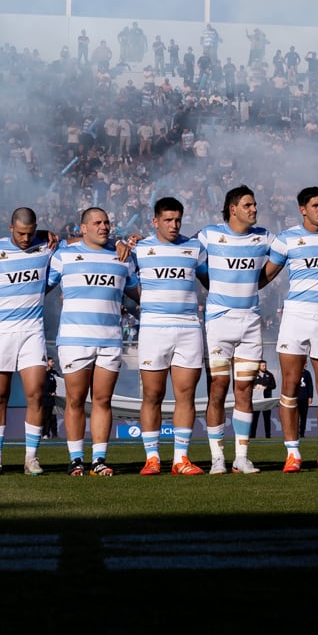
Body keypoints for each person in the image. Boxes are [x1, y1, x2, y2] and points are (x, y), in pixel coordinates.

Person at [265, 187, 318, 472]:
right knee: (289, 388)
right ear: (303, 209)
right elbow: (266, 275)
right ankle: (293, 453)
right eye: (315, 205)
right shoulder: (287, 239)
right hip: (295, 317)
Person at [194, 185, 278, 473]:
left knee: (245, 390)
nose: (254, 209)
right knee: (218, 389)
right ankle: (217, 456)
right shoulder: (208, 235)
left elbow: (288, 251)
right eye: (248, 205)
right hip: (218, 323)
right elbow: (183, 251)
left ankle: (241, 457)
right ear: (233, 208)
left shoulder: (264, 236)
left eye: (254, 205)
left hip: (250, 323)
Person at [54, 206, 140, 475]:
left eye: (107, 222)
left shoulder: (123, 256)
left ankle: (99, 460)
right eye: (97, 223)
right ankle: (76, 459)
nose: (104, 227)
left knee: (103, 401)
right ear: (83, 228)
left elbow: (139, 294)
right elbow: (39, 284)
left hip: (110, 340)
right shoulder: (63, 256)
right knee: (76, 400)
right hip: (74, 339)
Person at [130, 196, 207, 476]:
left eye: (178, 220)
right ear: (155, 221)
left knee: (185, 394)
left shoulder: (195, 248)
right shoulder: (140, 249)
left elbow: (209, 278)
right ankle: (152, 458)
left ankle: (180, 459)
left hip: (188, 328)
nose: (174, 225)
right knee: (153, 394)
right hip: (153, 329)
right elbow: (127, 283)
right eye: (168, 220)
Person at [0, 207, 54, 475]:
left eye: (31, 233)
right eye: (21, 233)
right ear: (11, 228)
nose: (26, 239)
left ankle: (31, 458)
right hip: (0, 333)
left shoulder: (45, 245)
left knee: (35, 395)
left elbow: (78, 242)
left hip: (32, 332)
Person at [251, 363, 278, 437]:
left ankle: (268, 435)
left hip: (267, 399)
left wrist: (266, 387)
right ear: (259, 366)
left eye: (265, 365)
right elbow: (249, 384)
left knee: (267, 418)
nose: (264, 367)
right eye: (263, 365)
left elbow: (274, 385)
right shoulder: (254, 375)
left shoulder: (269, 374)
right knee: (254, 418)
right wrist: (255, 386)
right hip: (257, 400)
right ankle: (252, 435)